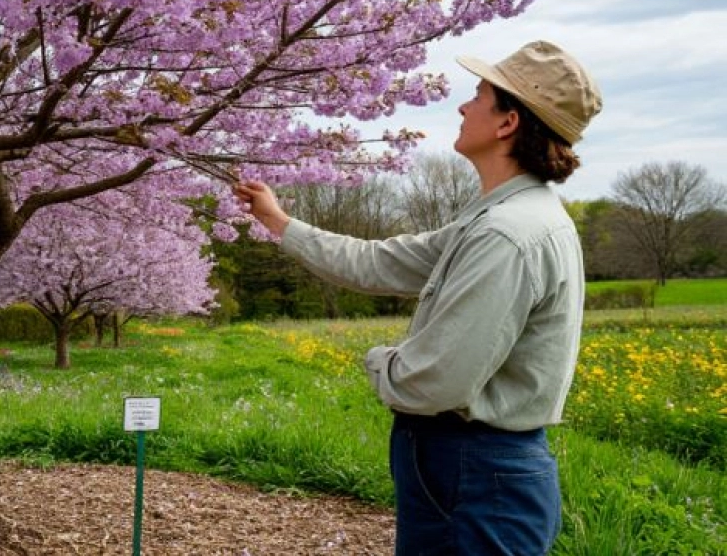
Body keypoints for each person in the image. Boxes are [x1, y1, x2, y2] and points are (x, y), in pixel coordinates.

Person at [233, 40, 601, 555]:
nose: (464, 105)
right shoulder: (496, 219)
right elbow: (379, 261)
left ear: (507, 123)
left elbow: (436, 382)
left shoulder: (506, 235)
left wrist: (380, 362)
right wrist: (278, 221)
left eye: (478, 95)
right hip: (471, 468)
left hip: (474, 470)